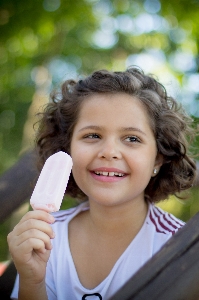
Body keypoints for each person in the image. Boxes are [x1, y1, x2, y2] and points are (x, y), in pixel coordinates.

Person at [8, 67, 197, 300]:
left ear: (158, 157)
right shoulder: (45, 236)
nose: (109, 152)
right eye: (93, 135)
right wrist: (32, 281)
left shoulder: (180, 248)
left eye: (132, 138)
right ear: (67, 150)